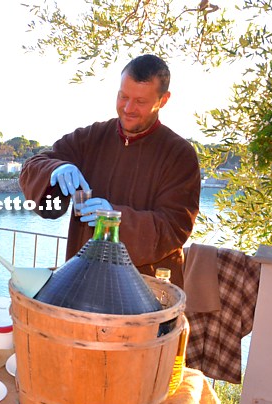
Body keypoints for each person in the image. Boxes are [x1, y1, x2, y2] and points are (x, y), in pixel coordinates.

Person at [19, 54, 200, 288]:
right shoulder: (91, 137)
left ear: (163, 100)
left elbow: (175, 228)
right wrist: (55, 169)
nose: (128, 108)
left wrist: (115, 220)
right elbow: (33, 165)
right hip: (83, 283)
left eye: (140, 101)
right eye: (123, 96)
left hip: (146, 292)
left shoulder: (179, 155)